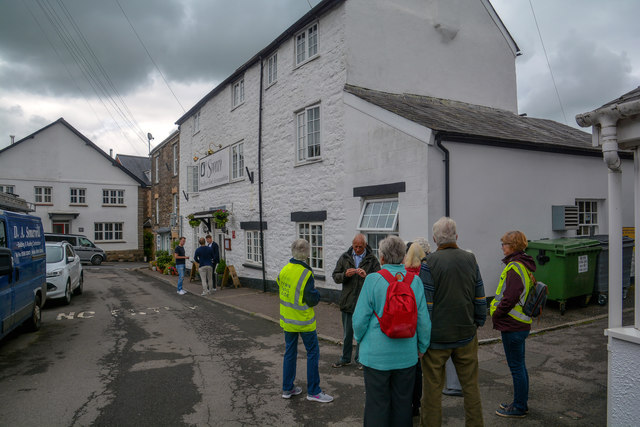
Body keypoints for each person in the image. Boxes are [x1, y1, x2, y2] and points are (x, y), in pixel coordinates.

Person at [353, 235, 431, 426]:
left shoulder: (372, 280)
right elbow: (423, 321)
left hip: (375, 356)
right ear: (403, 258)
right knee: (403, 404)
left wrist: (359, 339)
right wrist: (421, 347)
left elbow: (359, 320)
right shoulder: (415, 281)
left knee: (376, 404)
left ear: (382, 258)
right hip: (406, 355)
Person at [420, 217, 486, 427]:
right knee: (471, 388)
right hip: (466, 334)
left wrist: (422, 338)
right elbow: (480, 295)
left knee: (432, 391)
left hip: (436, 339)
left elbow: (426, 306)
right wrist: (478, 320)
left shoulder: (428, 264)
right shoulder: (470, 259)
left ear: (434, 239)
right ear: (456, 236)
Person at [279, 238, 333, 403]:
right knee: (312, 353)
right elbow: (311, 299)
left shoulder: (285, 269)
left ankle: (287, 388)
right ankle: (314, 391)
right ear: (307, 253)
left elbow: (281, 288)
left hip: (288, 319)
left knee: (290, 353)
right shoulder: (306, 273)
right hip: (304, 321)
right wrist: (317, 293)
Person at [490, 230, 535, 418]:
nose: (502, 247)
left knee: (516, 368)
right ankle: (519, 403)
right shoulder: (523, 264)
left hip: (512, 325)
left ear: (513, 246)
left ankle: (518, 407)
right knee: (520, 367)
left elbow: (509, 297)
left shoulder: (514, 267)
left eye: (504, 244)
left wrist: (497, 315)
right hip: (520, 324)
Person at [331, 233, 380, 368]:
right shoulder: (345, 257)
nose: (357, 249)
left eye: (360, 247)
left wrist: (367, 276)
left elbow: (379, 279)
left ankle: (360, 359)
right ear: (352, 245)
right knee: (347, 334)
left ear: (365, 246)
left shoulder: (372, 260)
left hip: (364, 303)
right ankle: (345, 358)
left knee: (362, 333)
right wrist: (345, 275)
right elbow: (335, 276)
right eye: (355, 246)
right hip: (347, 301)